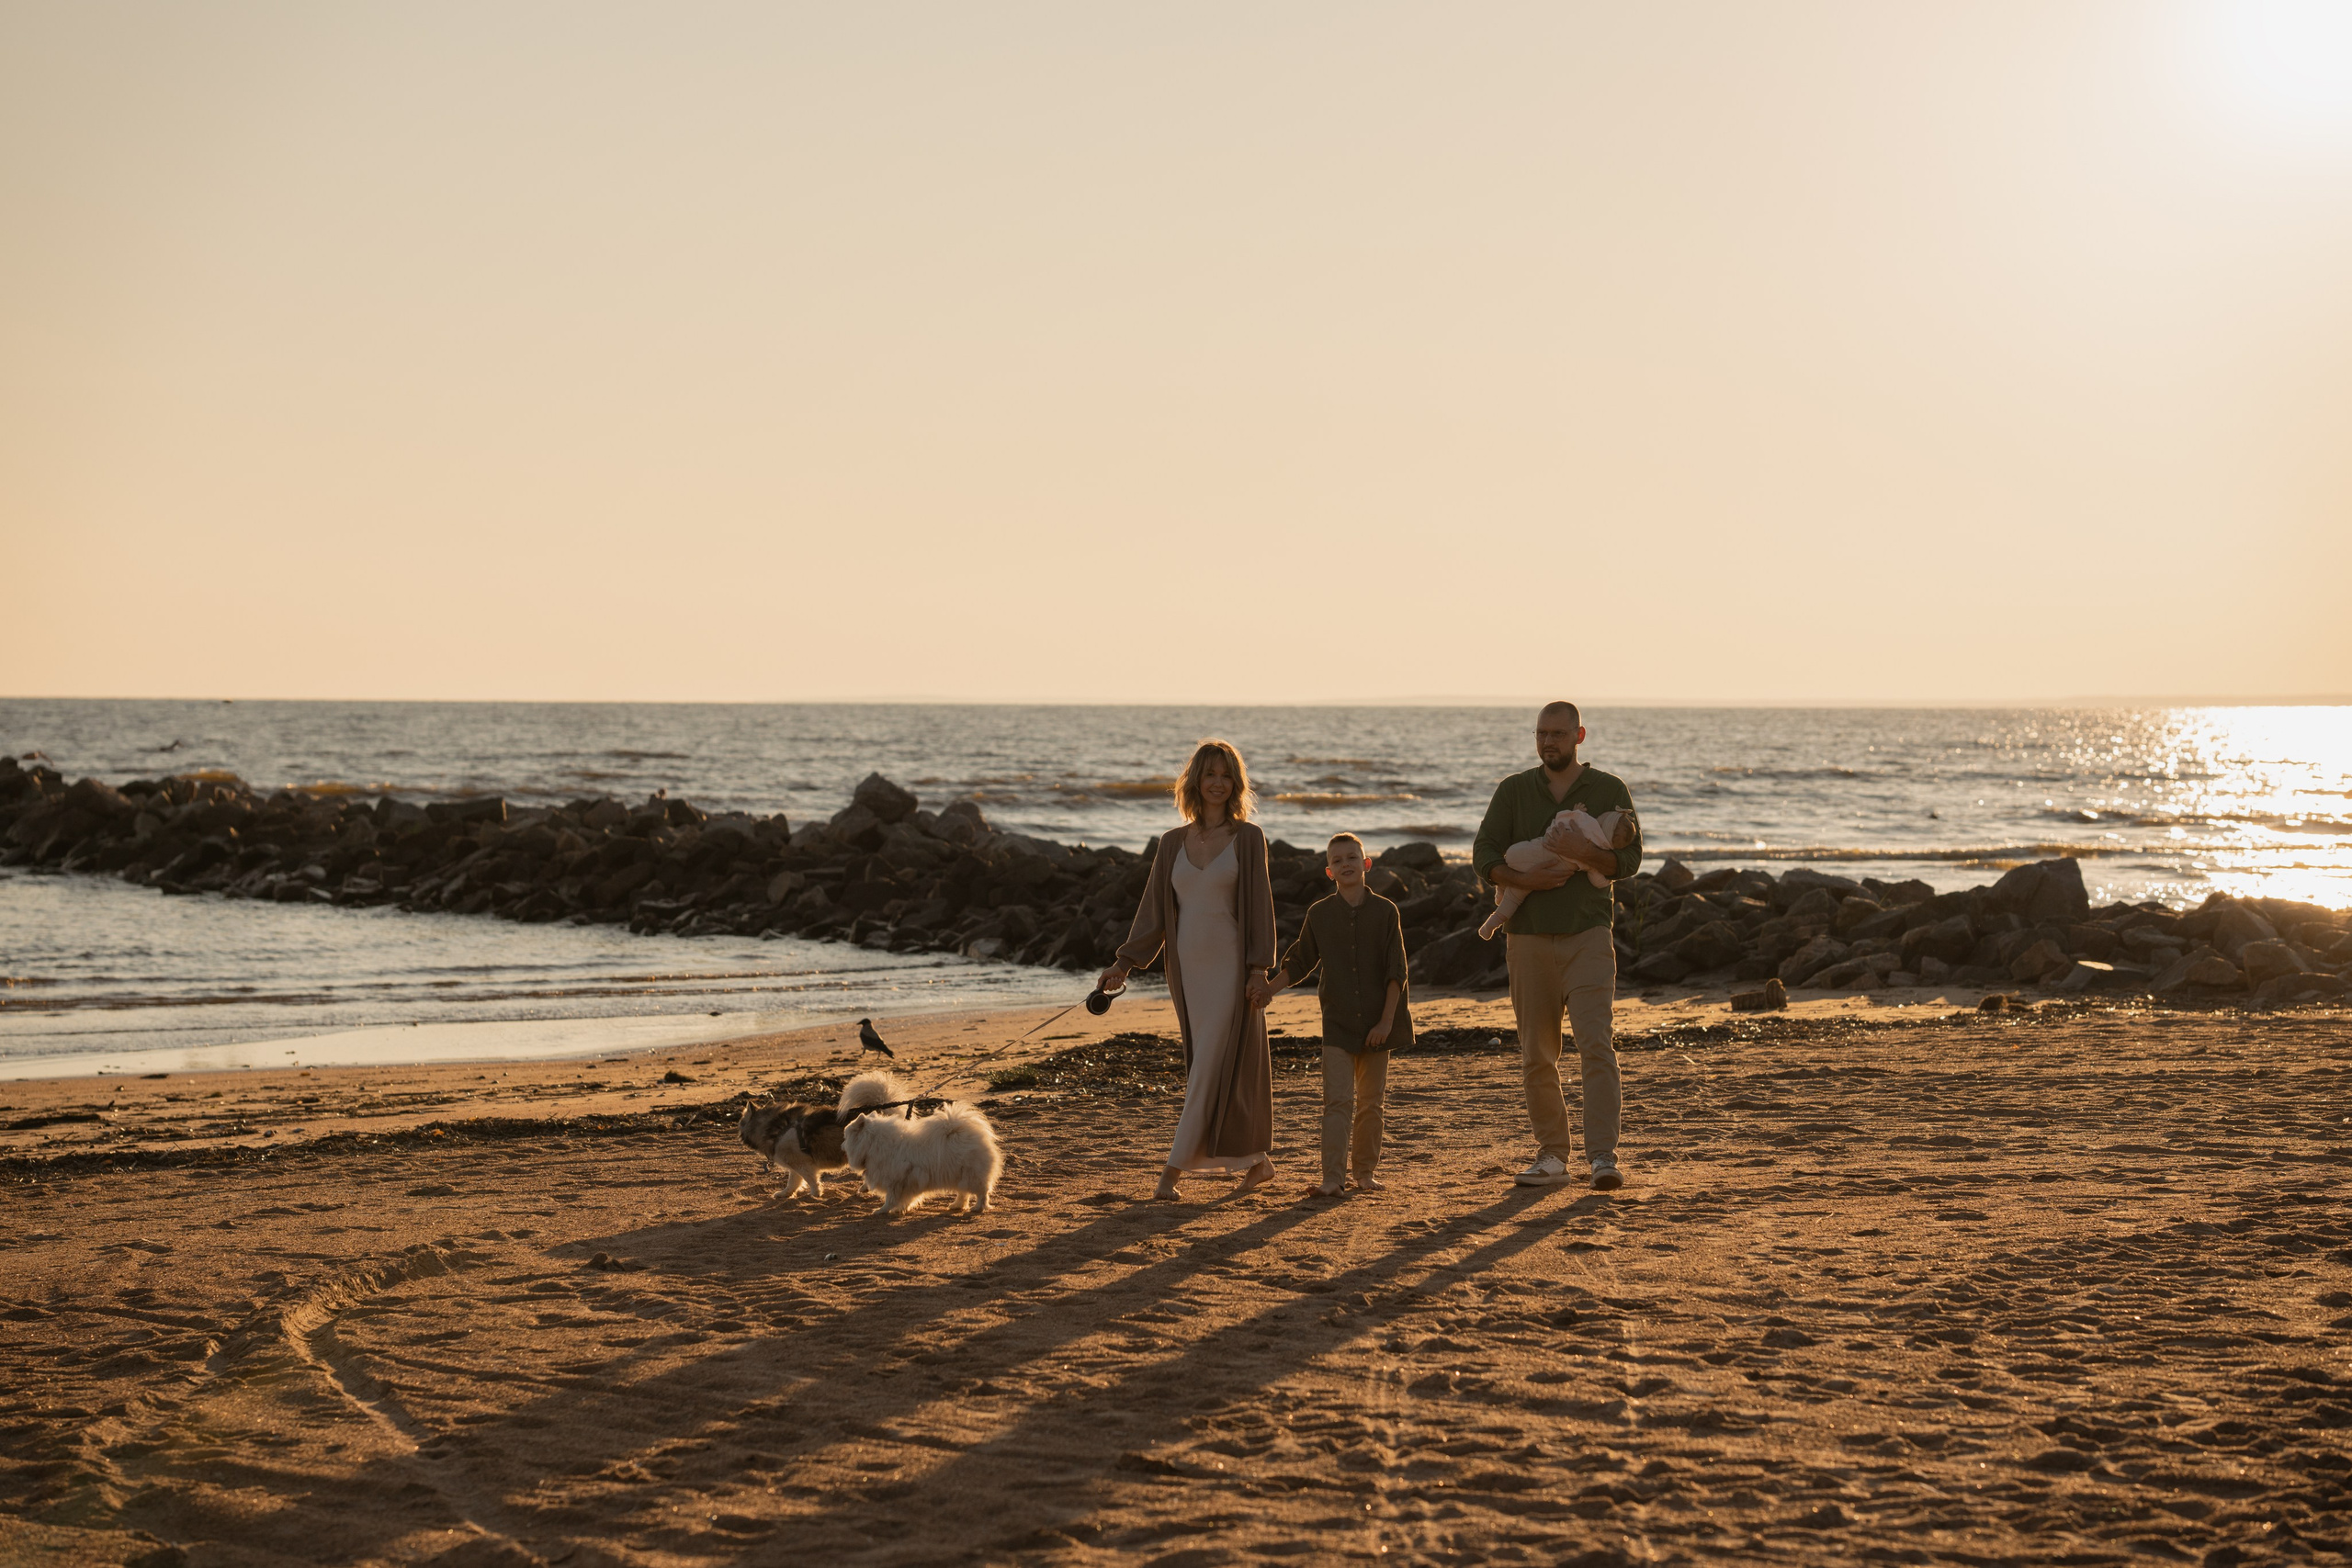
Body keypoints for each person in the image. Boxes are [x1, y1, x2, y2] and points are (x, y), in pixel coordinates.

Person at [1472, 701, 1643, 1191]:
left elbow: (1629, 857)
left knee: (1596, 1046)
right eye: (1541, 734)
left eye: (1559, 734)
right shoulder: (1514, 790)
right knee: (1537, 1055)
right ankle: (1552, 1156)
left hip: (1589, 935)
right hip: (1526, 940)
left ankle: (1603, 1157)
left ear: (1579, 736)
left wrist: (1584, 854)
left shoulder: (1609, 789)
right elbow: (1483, 853)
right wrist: (1524, 878)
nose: (1549, 742)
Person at [1098, 739, 1278, 1201]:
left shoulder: (1249, 838)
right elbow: (1153, 915)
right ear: (1195, 780)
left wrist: (1260, 970)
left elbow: (1261, 909)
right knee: (1209, 1065)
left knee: (1209, 1068)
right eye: (1209, 774)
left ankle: (1170, 1176)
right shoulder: (1172, 843)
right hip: (1186, 973)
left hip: (1231, 970)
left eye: (1226, 775)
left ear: (1235, 784)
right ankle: (1258, 1163)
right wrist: (1124, 964)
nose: (1217, 783)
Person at [1252, 832, 1410, 1197]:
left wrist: (1386, 1021)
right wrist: (1267, 992)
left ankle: (1365, 1173)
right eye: (1337, 860)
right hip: (1337, 1024)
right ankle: (1332, 1179)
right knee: (1337, 1102)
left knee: (1371, 1104)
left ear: (1366, 863)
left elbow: (1396, 972)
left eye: (1352, 857)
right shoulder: (1319, 914)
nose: (1346, 864)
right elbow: (1300, 961)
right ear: (1329, 872)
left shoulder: (1387, 911)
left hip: (1378, 1025)